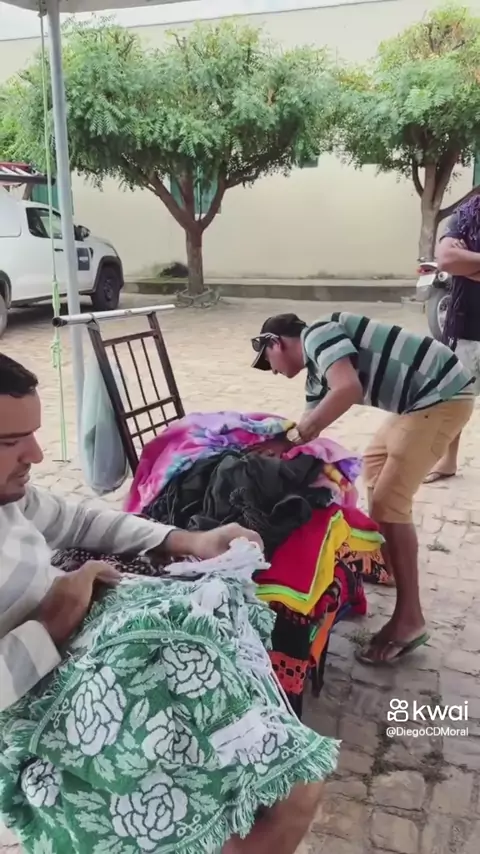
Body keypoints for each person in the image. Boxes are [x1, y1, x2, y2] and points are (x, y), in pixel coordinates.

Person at [0, 353, 330, 854]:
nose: (37, 455)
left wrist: (186, 540)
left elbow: (78, 522)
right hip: (38, 709)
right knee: (282, 795)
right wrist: (50, 625)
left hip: (91, 655)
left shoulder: (9, 497)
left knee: (294, 788)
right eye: (9, 442)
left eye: (32, 434)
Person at [251, 312, 474, 665]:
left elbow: (348, 389)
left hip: (443, 394)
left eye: (269, 362)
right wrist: (278, 446)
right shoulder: (316, 375)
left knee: (389, 501)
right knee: (374, 465)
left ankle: (410, 620)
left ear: (276, 343)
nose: (274, 371)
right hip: (419, 401)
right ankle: (390, 564)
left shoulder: (317, 333)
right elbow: (309, 427)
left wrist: (292, 438)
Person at [424, 196, 480, 482]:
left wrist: (469, 262)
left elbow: (458, 262)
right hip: (467, 326)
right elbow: (447, 259)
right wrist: (461, 262)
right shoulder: (467, 216)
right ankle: (447, 461)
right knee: (455, 397)